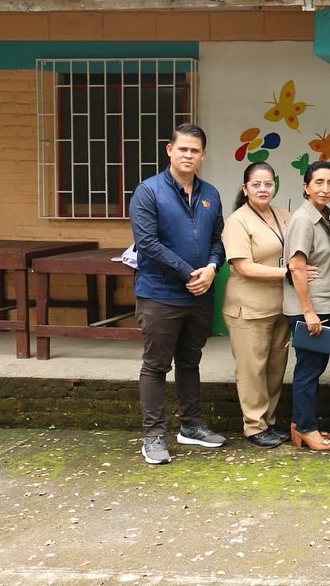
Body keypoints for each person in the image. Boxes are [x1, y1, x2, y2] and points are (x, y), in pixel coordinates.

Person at [130, 122, 226, 465]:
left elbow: (218, 240)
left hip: (199, 295)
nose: (188, 154)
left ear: (203, 155)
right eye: (182, 148)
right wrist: (190, 273)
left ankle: (191, 426)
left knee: (190, 361)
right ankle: (153, 436)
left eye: (195, 150)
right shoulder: (148, 191)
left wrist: (212, 268)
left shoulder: (211, 194)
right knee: (156, 365)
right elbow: (147, 244)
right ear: (169, 150)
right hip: (160, 294)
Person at [222, 162, 297, 448]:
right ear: (245, 188)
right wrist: (288, 273)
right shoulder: (238, 221)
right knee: (251, 369)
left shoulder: (284, 215)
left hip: (280, 306)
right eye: (256, 184)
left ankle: (269, 422)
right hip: (248, 308)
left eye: (268, 183)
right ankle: (253, 426)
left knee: (275, 368)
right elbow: (243, 267)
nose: (263, 189)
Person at [284, 160, 330, 452]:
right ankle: (306, 428)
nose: (325, 188)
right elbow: (296, 267)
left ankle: (300, 423)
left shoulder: (327, 217)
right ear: (306, 187)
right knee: (308, 368)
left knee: (314, 367)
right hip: (309, 308)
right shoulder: (304, 219)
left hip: (323, 304)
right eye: (318, 182)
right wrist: (308, 311)